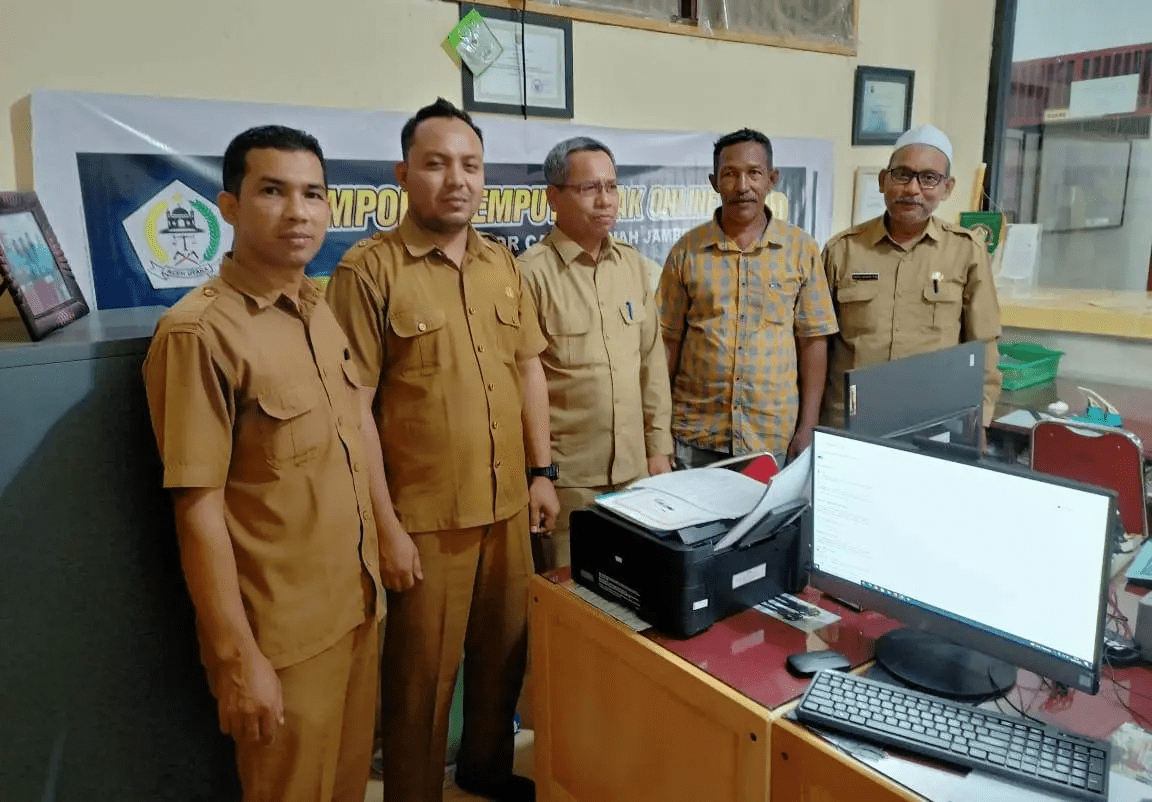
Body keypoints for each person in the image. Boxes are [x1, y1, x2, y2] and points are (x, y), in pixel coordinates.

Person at [142, 125, 385, 802]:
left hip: (358, 609)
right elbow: (198, 508)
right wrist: (237, 658)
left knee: (344, 788)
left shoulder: (318, 307)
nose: (297, 211)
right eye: (273, 191)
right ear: (229, 206)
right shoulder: (200, 333)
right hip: (284, 637)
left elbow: (352, 440)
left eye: (313, 194)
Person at [325, 98, 556, 802]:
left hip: (507, 508)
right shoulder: (368, 271)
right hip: (424, 521)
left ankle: (486, 771)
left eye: (470, 165)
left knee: (501, 661)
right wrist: (385, 528)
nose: (456, 179)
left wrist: (542, 472)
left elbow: (527, 369)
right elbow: (351, 408)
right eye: (436, 164)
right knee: (421, 682)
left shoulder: (500, 263)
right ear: (403, 173)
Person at [518, 136, 673, 570]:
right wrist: (540, 475)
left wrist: (658, 449)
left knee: (636, 594)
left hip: (636, 474)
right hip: (569, 484)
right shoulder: (530, 275)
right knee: (573, 603)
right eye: (589, 189)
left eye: (612, 186)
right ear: (554, 197)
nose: (605, 200)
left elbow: (651, 365)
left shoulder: (633, 266)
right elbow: (525, 386)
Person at [657, 128, 838, 469]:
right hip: (695, 436)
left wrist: (808, 425)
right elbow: (668, 341)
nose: (742, 186)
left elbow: (813, 342)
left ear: (772, 179)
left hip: (771, 437)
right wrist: (657, 430)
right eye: (730, 174)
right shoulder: (687, 251)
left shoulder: (801, 249)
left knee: (768, 523)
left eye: (754, 174)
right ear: (714, 182)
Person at [820, 124, 1001, 428]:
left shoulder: (966, 251)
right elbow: (818, 346)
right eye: (902, 174)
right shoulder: (842, 250)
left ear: (947, 188)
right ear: (883, 180)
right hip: (851, 419)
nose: (912, 189)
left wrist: (978, 422)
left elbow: (983, 345)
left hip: (933, 420)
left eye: (929, 178)